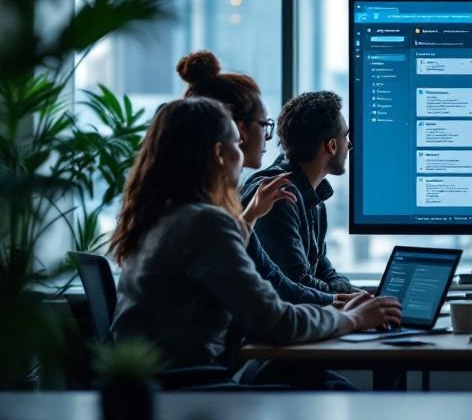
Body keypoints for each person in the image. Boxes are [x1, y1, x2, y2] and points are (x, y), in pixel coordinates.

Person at [109, 97, 401, 372]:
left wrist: (247, 220)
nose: (243, 153)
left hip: (153, 384)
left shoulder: (164, 215)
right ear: (218, 154)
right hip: (188, 387)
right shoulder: (204, 222)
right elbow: (274, 320)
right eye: (237, 143)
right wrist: (351, 318)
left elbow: (269, 277)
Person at [176, 50, 352, 307]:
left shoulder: (228, 211)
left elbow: (275, 282)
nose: (269, 138)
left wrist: (346, 301)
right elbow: (276, 298)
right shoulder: (212, 217)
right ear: (240, 130)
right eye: (264, 125)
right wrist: (347, 310)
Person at [241, 91, 355, 294]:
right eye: (345, 136)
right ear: (332, 146)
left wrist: (353, 293)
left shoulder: (314, 198)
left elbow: (324, 270)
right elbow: (297, 286)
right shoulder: (279, 195)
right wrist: (343, 294)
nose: (350, 145)